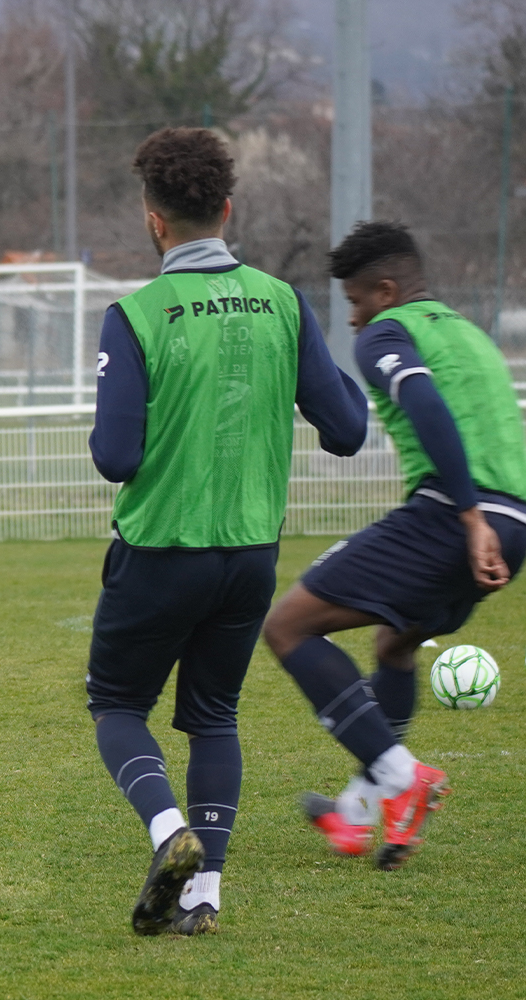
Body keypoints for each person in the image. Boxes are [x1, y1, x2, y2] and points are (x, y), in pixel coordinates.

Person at [86, 127, 368, 935]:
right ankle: (202, 894)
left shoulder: (135, 316)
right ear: (228, 209)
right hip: (250, 554)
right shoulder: (282, 303)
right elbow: (348, 430)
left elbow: (115, 457)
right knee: (212, 715)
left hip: (159, 550)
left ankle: (167, 831)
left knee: (117, 705)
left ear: (154, 219)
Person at [262, 221, 526, 870]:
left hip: (454, 516)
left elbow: (425, 402)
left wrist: (469, 517)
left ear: (385, 290)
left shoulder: (385, 333)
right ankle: (357, 811)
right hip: (514, 525)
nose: (353, 319)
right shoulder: (469, 334)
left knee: (288, 627)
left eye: (355, 301)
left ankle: (402, 777)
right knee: (395, 644)